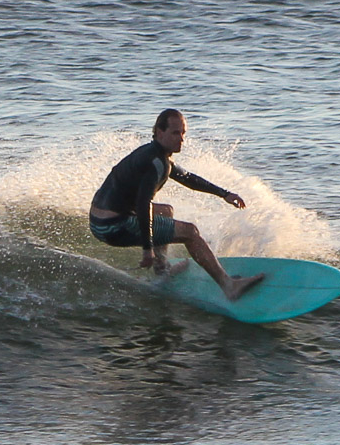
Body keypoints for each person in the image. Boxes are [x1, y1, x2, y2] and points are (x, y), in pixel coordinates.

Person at [89, 109, 263, 301]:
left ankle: (162, 270)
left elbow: (187, 178)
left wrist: (225, 194)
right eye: (175, 133)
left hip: (99, 219)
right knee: (190, 233)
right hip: (113, 226)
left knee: (166, 211)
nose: (181, 139)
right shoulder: (156, 163)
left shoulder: (153, 154)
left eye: (183, 133)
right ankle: (229, 286)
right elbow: (143, 205)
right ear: (159, 132)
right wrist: (147, 249)